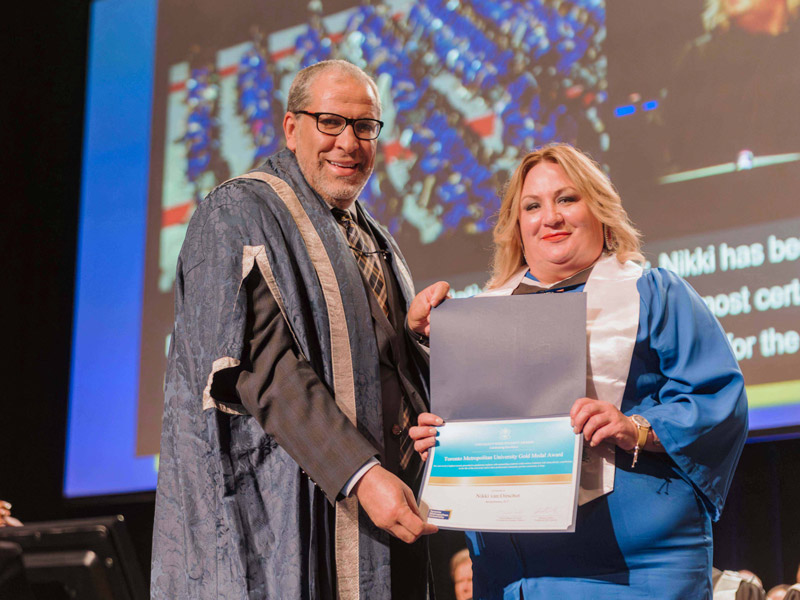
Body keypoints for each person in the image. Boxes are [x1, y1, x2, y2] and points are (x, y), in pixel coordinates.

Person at [409, 143, 748, 599]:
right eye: (533, 206)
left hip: (637, 569)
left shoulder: (655, 295)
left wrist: (635, 428)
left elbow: (717, 400)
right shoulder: (478, 318)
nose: (551, 217)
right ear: (517, 227)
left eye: (567, 199)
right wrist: (441, 436)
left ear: (601, 211)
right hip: (514, 571)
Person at [151, 59, 437, 600]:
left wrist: (418, 337)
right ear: (291, 127)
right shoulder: (238, 211)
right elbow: (262, 364)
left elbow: (380, 366)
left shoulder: (372, 235)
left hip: (395, 509)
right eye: (330, 122)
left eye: (365, 126)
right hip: (302, 510)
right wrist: (360, 474)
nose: (348, 143)